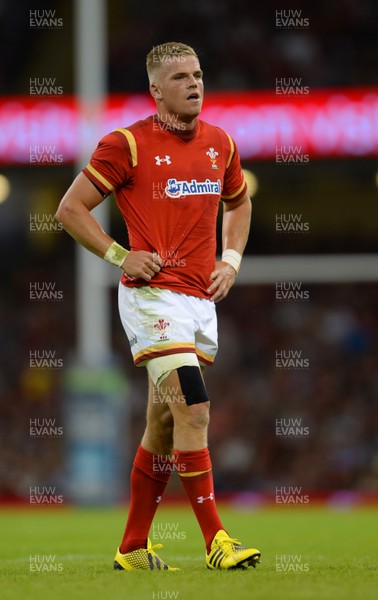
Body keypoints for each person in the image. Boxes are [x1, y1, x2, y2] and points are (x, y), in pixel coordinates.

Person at [55, 41, 260, 571]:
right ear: (155, 89)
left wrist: (231, 259)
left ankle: (131, 549)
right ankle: (217, 541)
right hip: (153, 301)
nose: (194, 84)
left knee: (163, 427)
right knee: (193, 407)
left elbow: (239, 202)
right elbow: (69, 209)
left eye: (198, 73)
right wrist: (121, 255)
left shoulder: (221, 144)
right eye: (180, 77)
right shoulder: (127, 144)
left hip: (198, 302)